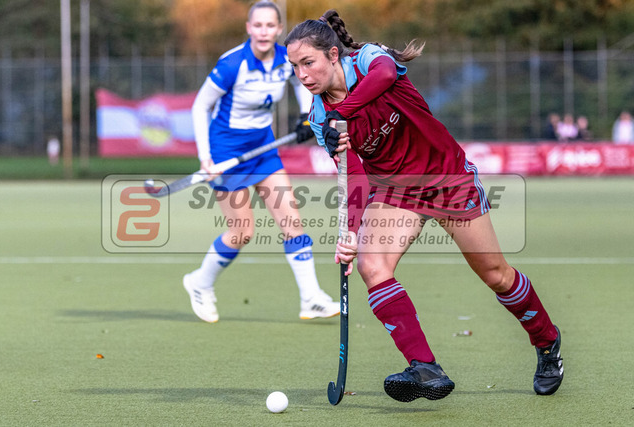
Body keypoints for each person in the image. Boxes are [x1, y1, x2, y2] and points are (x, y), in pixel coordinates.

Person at [285, 10, 563, 402]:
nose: (302, 75)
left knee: (496, 275)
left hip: (446, 176)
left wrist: (343, 113)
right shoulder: (320, 117)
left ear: (333, 55)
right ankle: (425, 367)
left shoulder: (367, 60)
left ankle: (547, 341)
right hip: (395, 191)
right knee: (371, 265)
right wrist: (351, 232)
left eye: (307, 63)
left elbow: (385, 76)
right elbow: (354, 175)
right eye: (295, 67)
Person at [184, 1, 340, 323]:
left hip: (263, 148)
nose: (264, 32)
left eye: (270, 25)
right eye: (258, 25)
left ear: (279, 29)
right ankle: (200, 282)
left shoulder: (286, 58)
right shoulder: (232, 64)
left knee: (291, 222)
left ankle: (310, 298)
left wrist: (306, 114)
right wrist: (206, 158)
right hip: (226, 153)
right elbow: (200, 106)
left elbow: (300, 81)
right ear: (248, 28)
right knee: (242, 232)